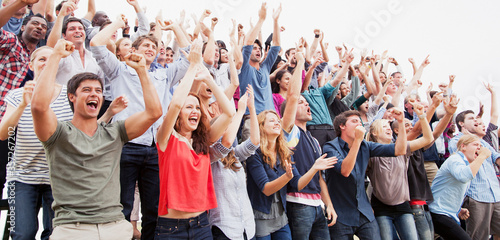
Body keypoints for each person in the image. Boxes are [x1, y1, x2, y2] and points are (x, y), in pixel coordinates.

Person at [30, 39, 162, 239]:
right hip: (73, 228)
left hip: (114, 226)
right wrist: (55, 56)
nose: (94, 94)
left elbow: (153, 112)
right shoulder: (58, 134)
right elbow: (39, 107)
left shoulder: (115, 132)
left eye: (98, 91)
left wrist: (142, 71)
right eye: (86, 90)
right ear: (71, 97)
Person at [90, 14, 190, 239]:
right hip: (126, 145)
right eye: (145, 45)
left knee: (154, 209)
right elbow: (96, 44)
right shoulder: (119, 70)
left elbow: (189, 57)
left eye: (154, 46)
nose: (151, 49)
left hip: (156, 149)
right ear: (132, 49)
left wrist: (175, 27)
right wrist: (118, 24)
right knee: (122, 206)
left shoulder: (165, 74)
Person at [154, 39, 235, 239]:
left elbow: (229, 113)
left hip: (201, 225)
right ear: (179, 114)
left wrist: (209, 79)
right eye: (189, 107)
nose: (195, 111)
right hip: (171, 229)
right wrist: (192, 66)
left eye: (197, 108)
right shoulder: (166, 138)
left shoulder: (203, 141)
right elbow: (174, 105)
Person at [279, 47, 337, 239]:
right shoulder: (289, 132)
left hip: (317, 205)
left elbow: (320, 177)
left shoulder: (313, 139)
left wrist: (328, 204)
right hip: (298, 205)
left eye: (307, 103)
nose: (307, 105)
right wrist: (302, 62)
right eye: (302, 103)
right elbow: (294, 96)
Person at [323, 109, 408, 240]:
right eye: (354, 121)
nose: (359, 124)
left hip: (364, 212)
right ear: (342, 126)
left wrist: (401, 122)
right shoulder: (330, 147)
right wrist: (357, 141)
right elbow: (345, 171)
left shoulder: (365, 146)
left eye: (360, 122)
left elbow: (400, 149)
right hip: (340, 214)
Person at [0, 0, 48, 210]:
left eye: (43, 26)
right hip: (1, 115)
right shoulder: (10, 42)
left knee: (5, 176)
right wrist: (21, 2)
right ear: (22, 27)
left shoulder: (41, 59)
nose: (39, 27)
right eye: (35, 23)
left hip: (17, 128)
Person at [365, 102, 433, 240]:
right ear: (373, 133)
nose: (389, 129)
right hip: (381, 207)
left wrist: (421, 116)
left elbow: (428, 139)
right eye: (384, 127)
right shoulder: (369, 153)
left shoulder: (402, 148)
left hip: (403, 206)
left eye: (389, 126)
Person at [209, 86, 259, 240]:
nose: (229, 130)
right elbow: (226, 142)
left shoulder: (234, 155)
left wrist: (251, 109)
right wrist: (240, 110)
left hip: (247, 227)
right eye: (226, 128)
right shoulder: (209, 157)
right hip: (224, 228)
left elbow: (254, 142)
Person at [449, 109, 500, 240]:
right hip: (477, 196)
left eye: (476, 118)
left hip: (496, 194)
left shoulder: (483, 142)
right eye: (471, 118)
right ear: (461, 123)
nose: (476, 121)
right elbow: (463, 158)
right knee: (478, 237)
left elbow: (497, 158)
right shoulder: (456, 141)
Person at [429, 135, 491, 240]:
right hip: (438, 212)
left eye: (480, 146)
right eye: (475, 144)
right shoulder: (455, 159)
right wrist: (481, 157)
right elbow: (464, 176)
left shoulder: (464, 164)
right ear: (463, 147)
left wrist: (458, 209)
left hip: (446, 213)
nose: (479, 148)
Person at [238, 2, 282, 141]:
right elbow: (247, 45)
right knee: (254, 158)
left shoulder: (265, 68)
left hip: (271, 119)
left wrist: (275, 21)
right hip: (252, 119)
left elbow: (276, 47)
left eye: (259, 48)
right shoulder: (244, 68)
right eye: (254, 48)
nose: (258, 50)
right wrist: (261, 20)